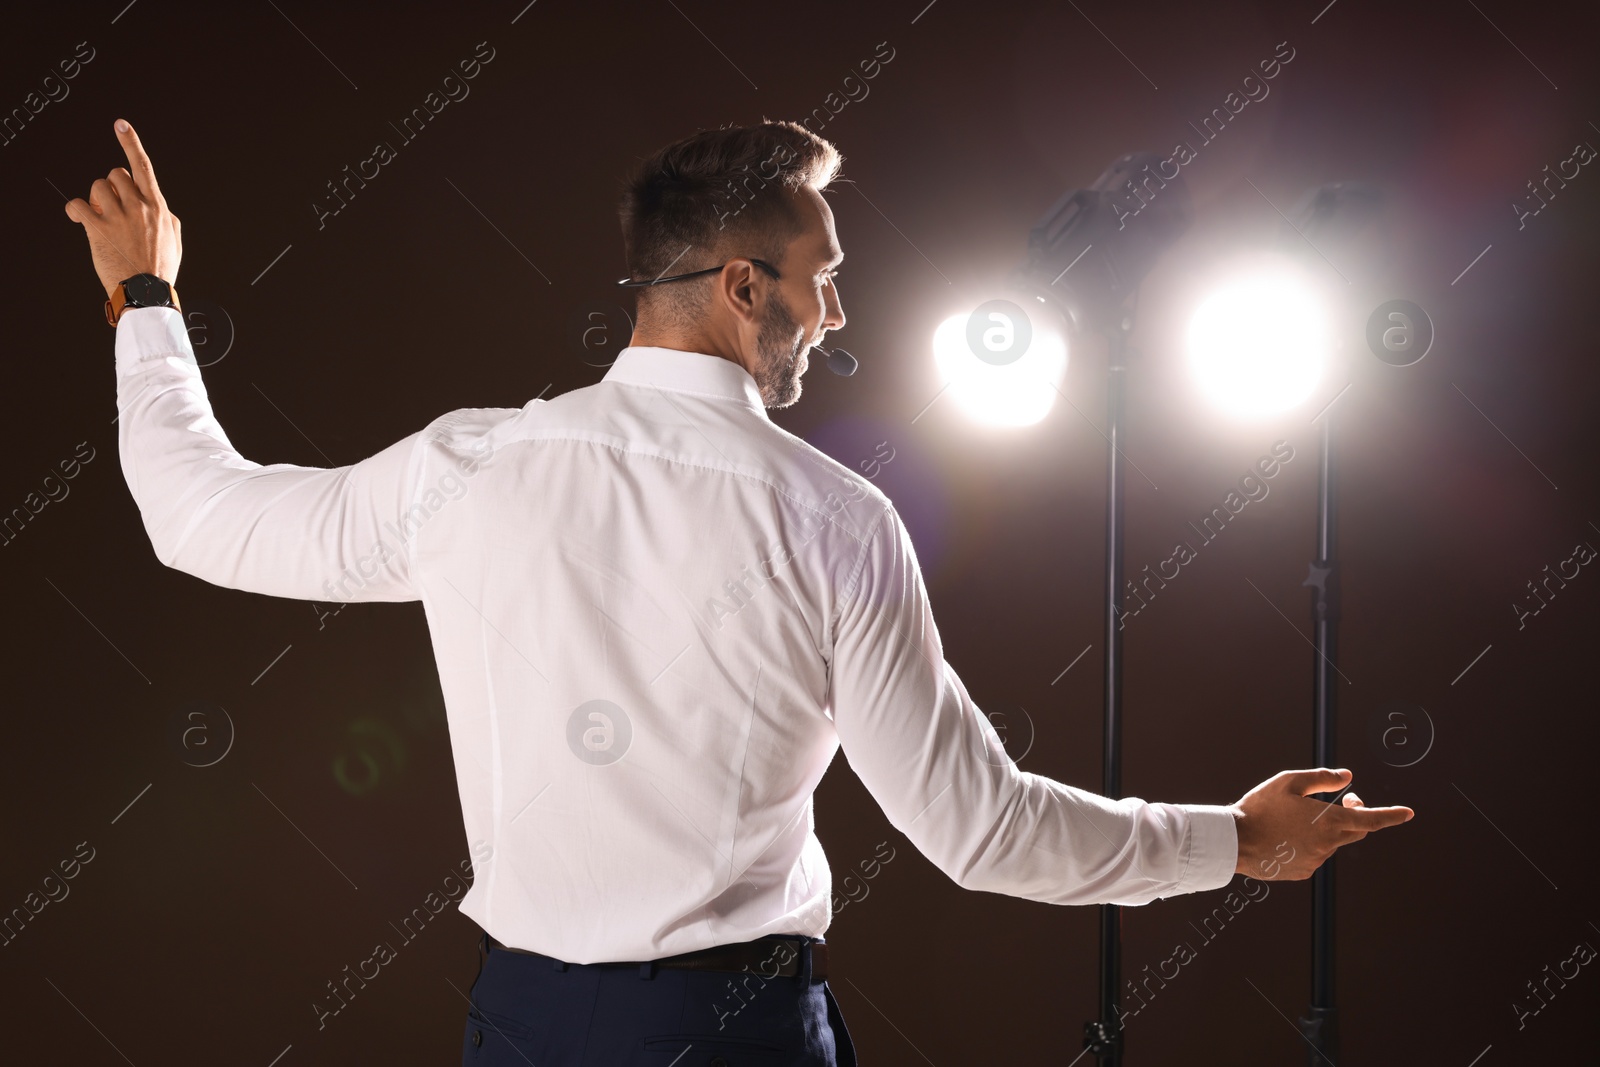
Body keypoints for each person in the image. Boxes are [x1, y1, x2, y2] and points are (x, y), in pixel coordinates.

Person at [66, 117, 1413, 1066]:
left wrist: (146, 296)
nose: (836, 316)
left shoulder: (469, 467)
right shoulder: (835, 519)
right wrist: (1236, 842)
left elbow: (201, 518)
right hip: (732, 1037)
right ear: (743, 284)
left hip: (522, 1033)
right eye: (823, 284)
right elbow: (980, 833)